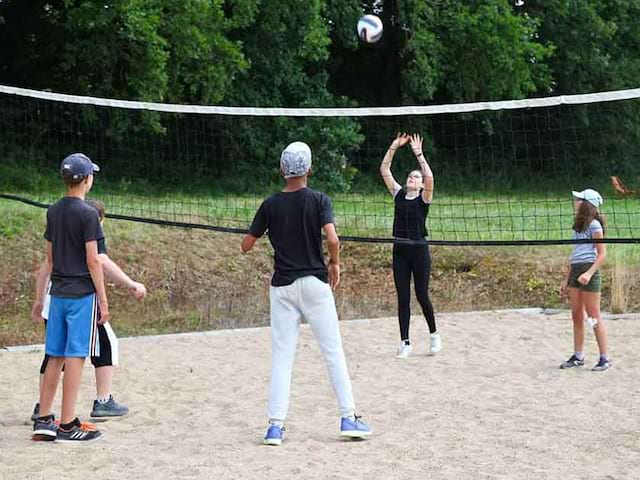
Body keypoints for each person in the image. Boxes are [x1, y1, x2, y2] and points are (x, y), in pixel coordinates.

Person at [241, 141, 372, 445]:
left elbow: (246, 245)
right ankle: (349, 417)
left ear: (281, 170)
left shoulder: (270, 204)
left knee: (282, 356)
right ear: (310, 169)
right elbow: (332, 238)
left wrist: (265, 232)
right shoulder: (319, 199)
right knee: (332, 352)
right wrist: (335, 264)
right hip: (314, 283)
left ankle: (275, 426)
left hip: (283, 286)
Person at [31, 200, 147, 422]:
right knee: (100, 345)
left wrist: (39, 300)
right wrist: (130, 285)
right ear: (99, 221)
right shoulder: (88, 227)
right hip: (78, 299)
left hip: (53, 300)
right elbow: (99, 261)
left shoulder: (59, 224)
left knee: (56, 354)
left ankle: (42, 407)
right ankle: (101, 402)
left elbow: (47, 266)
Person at [30, 153, 108, 442]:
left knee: (55, 357)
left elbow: (48, 261)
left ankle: (44, 418)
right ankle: (67, 424)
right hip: (80, 295)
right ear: (87, 180)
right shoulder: (88, 214)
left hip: (58, 294)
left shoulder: (53, 211)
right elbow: (93, 260)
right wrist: (103, 298)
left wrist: (40, 299)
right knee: (76, 357)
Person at [380, 133, 440, 358]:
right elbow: (385, 170)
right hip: (400, 251)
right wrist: (394, 146)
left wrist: (419, 155)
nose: (412, 178)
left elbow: (430, 177)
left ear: (422, 184)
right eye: (411, 176)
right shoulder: (398, 194)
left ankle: (434, 335)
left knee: (422, 294)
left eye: (416, 177)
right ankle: (405, 342)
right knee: (403, 297)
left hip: (419, 250)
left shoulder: (424, 198)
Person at [560, 189, 611, 372]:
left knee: (593, 316)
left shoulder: (595, 225)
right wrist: (567, 278)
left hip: (590, 270)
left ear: (586, 204)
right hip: (576, 270)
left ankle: (604, 358)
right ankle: (578, 356)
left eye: (579, 199)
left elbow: (602, 254)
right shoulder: (578, 226)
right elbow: (574, 254)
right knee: (576, 314)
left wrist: (589, 273)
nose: (575, 201)